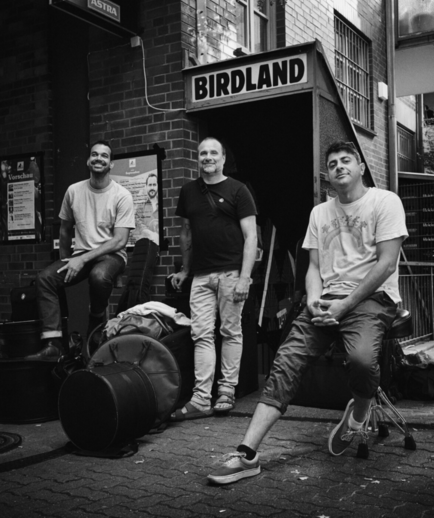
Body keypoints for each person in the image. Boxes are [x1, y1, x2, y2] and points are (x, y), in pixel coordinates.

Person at [207, 140, 408, 485]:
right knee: (286, 361)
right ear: (327, 175)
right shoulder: (320, 213)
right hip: (327, 299)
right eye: (332, 164)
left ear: (360, 167)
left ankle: (358, 416)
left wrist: (346, 304)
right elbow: (313, 267)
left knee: (361, 360)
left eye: (346, 160)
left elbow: (387, 263)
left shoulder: (385, 201)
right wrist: (313, 300)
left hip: (373, 299)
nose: (339, 166)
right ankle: (247, 453)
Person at [169, 137, 258, 420]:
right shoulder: (188, 191)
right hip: (200, 276)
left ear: (223, 159)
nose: (207, 157)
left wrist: (245, 277)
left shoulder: (238, 190)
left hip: (231, 273)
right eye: (202, 153)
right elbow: (186, 233)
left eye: (213, 153)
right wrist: (185, 270)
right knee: (201, 335)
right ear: (198, 158)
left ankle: (227, 391)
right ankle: (200, 399)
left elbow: (251, 237)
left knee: (230, 332)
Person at [32, 140, 135, 359]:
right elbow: (64, 229)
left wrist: (82, 259)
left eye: (104, 156)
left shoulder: (122, 195)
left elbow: (120, 240)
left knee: (99, 276)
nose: (99, 158)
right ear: (88, 161)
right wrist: (66, 261)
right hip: (81, 253)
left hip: (112, 255)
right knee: (45, 279)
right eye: (94, 154)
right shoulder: (74, 191)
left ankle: (95, 320)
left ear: (111, 164)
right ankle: (54, 342)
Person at [132, 172, 159, 244]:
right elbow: (138, 226)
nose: (152, 188)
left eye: (154, 185)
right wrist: (151, 234)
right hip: (146, 245)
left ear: (157, 186)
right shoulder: (140, 208)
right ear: (146, 186)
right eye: (150, 185)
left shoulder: (163, 205)